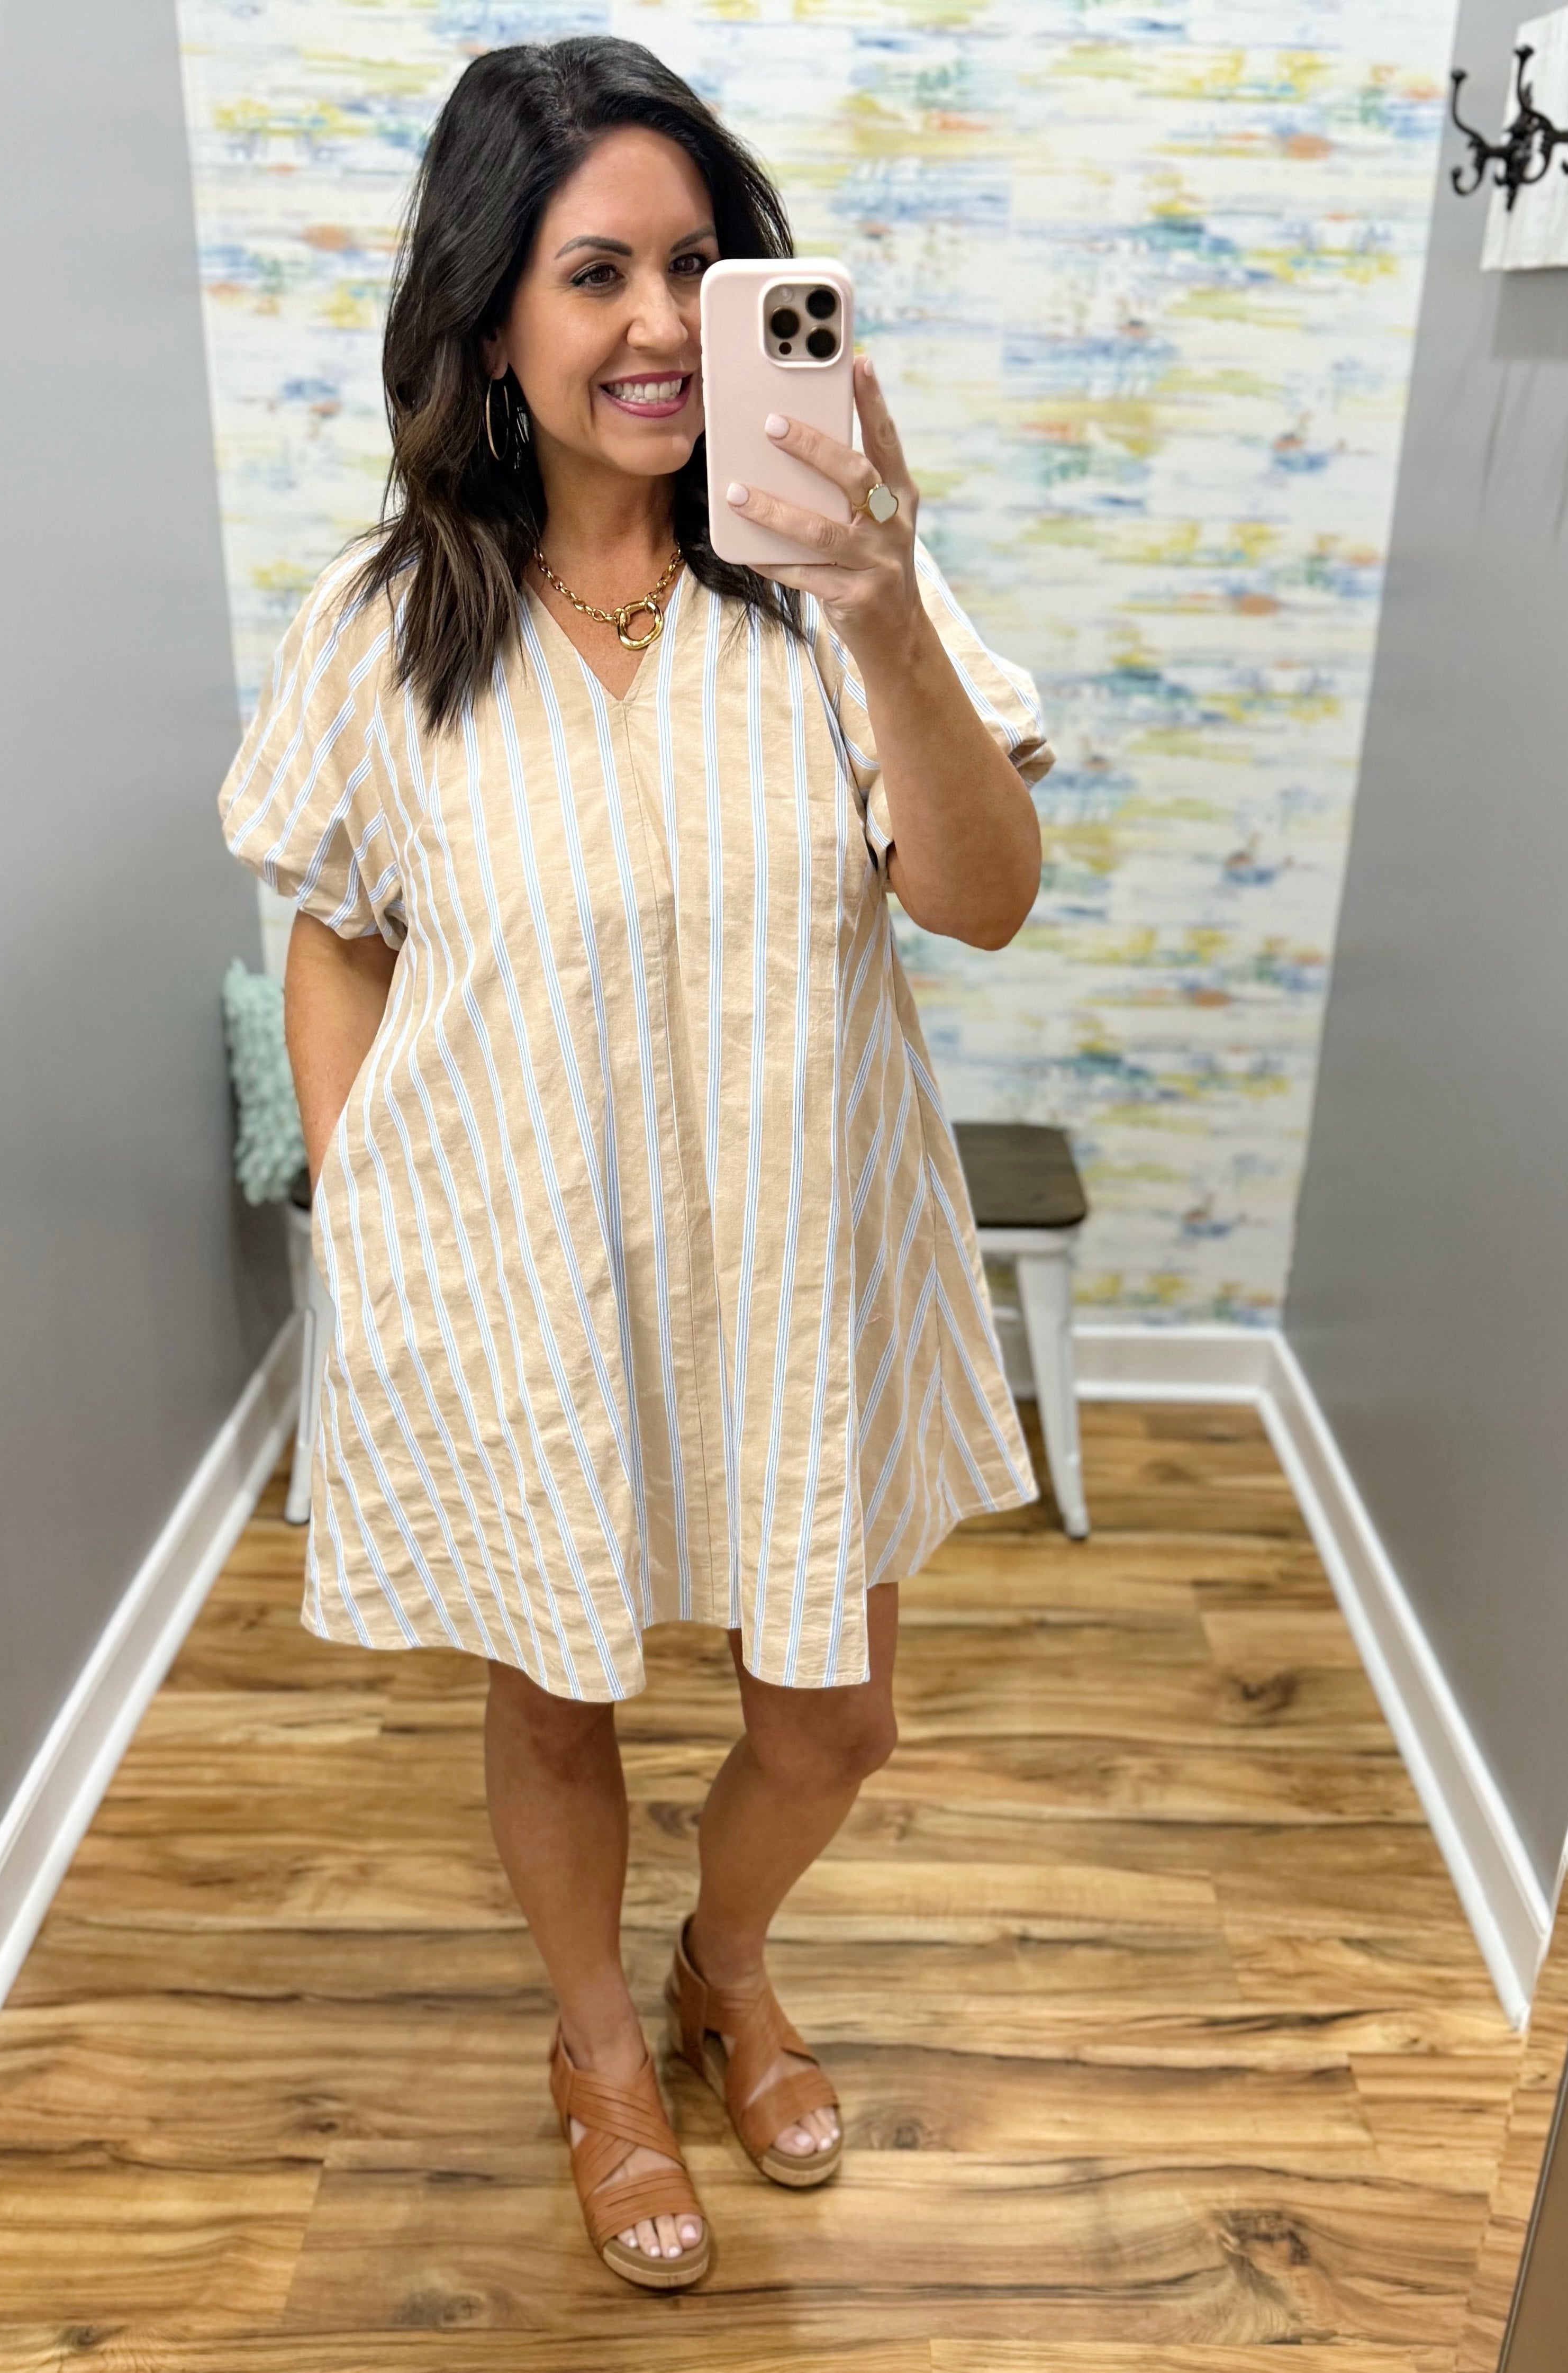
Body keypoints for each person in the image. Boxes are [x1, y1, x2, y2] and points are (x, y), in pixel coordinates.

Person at [217, 33, 1051, 2293]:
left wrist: (879, 601)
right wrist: (367, 1209)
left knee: (838, 1711)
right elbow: (332, 925)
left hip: (803, 1260)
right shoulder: (389, 632)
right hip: (522, 1276)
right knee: (550, 1683)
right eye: (599, 272)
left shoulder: (839, 595)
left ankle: (723, 1957)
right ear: (494, 314)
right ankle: (602, 2039)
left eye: (703, 263)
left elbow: (980, 894)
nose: (667, 323)